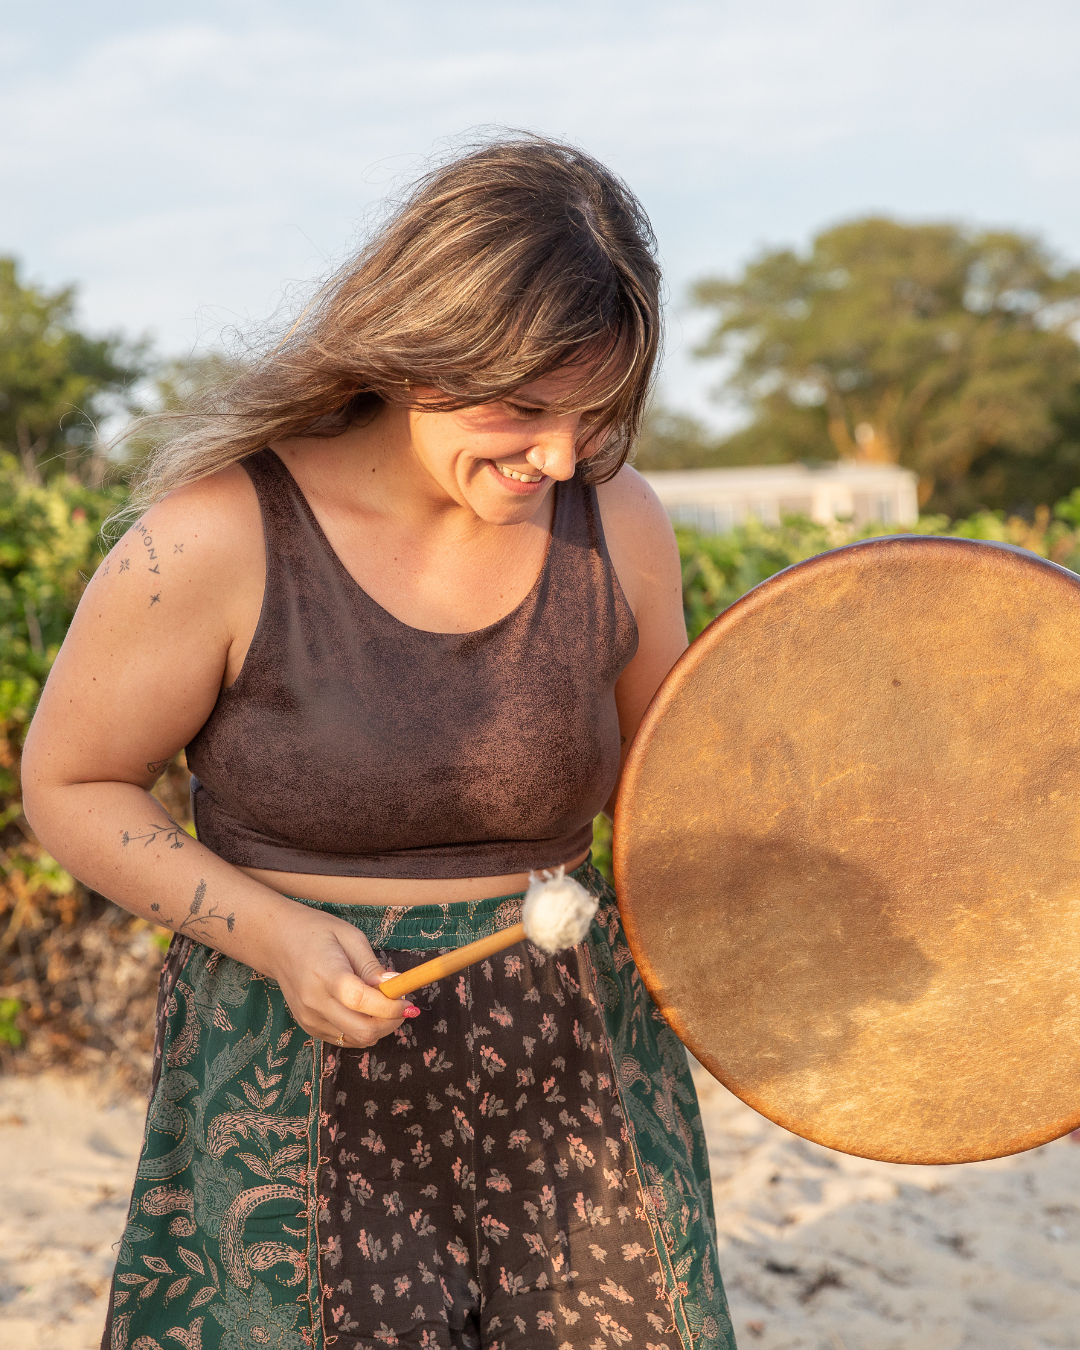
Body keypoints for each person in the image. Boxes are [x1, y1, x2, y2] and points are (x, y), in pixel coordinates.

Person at [23, 135, 736, 1350]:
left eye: (597, 411)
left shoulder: (619, 520)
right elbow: (72, 785)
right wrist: (282, 939)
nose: (560, 457)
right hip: (290, 1059)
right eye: (524, 408)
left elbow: (681, 799)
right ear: (418, 350)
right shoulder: (214, 535)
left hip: (574, 1063)